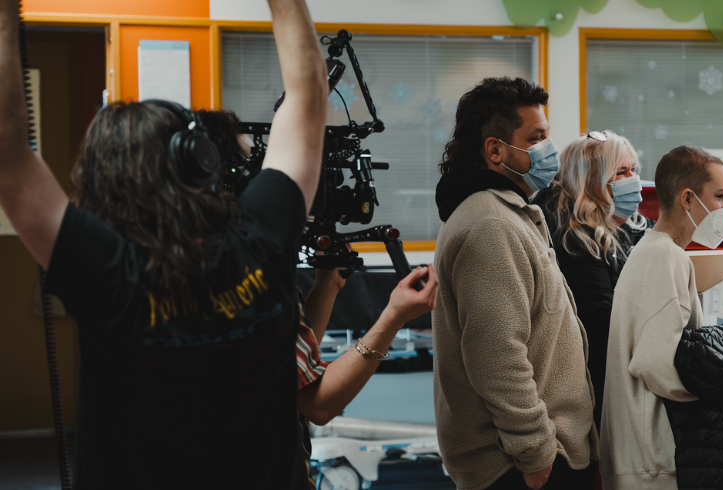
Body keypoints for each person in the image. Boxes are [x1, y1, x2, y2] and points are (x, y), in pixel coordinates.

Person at [0, 0, 328, 485]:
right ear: (199, 162)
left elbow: (7, 149)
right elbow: (308, 97)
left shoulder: (105, 274)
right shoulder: (259, 242)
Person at [194, 109, 441, 426]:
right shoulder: (241, 274)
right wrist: (394, 317)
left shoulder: (183, 258)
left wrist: (327, 285)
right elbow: (318, 404)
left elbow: (288, 362)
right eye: (249, 165)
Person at [432, 77, 597, 490]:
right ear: (495, 150)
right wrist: (534, 449)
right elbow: (496, 353)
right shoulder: (490, 224)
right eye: (537, 137)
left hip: (535, 457)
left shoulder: (509, 213)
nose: (550, 148)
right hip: (521, 466)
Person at [601, 146, 723, 489]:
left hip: (647, 456)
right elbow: (659, 366)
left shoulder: (655, 250)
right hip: (654, 458)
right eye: (719, 196)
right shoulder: (664, 257)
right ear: (687, 198)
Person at [530, 129, 652, 432]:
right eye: (620, 172)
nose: (632, 179)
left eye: (633, 170)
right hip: (590, 384)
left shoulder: (609, 222)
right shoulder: (571, 238)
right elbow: (603, 324)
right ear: (589, 181)